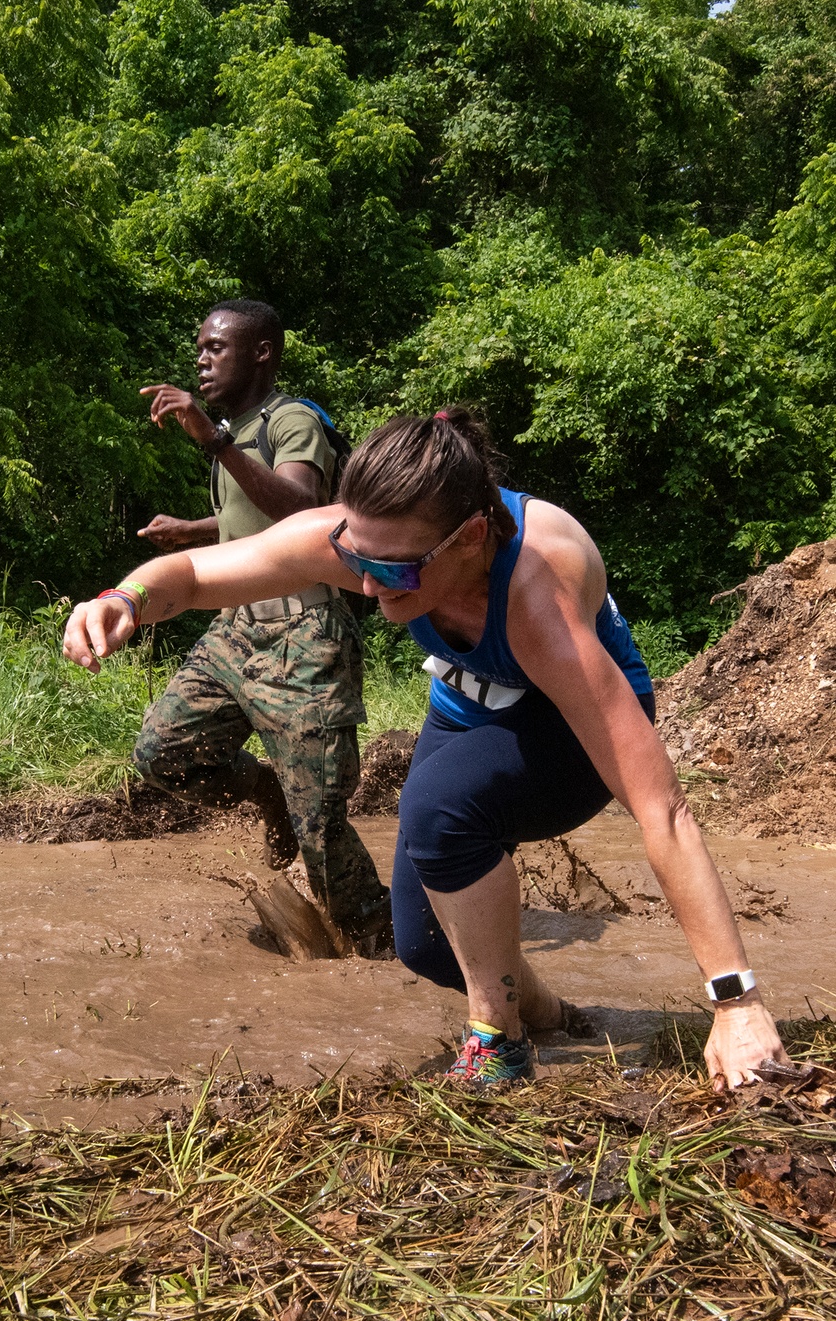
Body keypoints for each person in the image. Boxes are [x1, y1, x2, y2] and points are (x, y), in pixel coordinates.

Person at [64, 408, 789, 1093]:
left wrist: (736, 1004)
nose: (373, 588)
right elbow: (192, 576)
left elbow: (663, 811)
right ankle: (543, 1013)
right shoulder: (371, 540)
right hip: (470, 703)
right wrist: (122, 601)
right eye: (358, 560)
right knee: (421, 942)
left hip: (568, 724)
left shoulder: (537, 597)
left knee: (442, 813)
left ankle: (496, 1045)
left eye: (398, 572)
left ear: (472, 537)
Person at [128, 298, 389, 947]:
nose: (201, 358)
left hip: (305, 632)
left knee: (320, 822)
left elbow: (304, 506)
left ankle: (380, 942)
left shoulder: (291, 420)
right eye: (200, 347)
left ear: (262, 353)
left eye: (216, 347)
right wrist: (193, 529)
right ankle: (268, 795)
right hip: (236, 628)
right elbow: (255, 517)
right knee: (164, 755)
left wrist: (215, 439)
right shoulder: (237, 434)